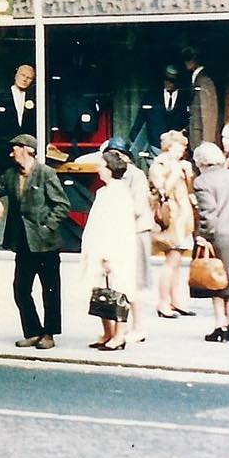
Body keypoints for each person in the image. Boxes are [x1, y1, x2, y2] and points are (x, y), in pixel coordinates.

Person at [0, 133, 69, 349]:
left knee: (50, 290)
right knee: (21, 289)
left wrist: (47, 225)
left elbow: (62, 205)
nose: (12, 153)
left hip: (46, 244)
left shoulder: (46, 174)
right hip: (23, 243)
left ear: (27, 150)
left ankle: (49, 334)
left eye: (15, 149)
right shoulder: (11, 175)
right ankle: (32, 331)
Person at [79, 149, 139, 350]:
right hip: (98, 249)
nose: (98, 169)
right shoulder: (103, 192)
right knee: (100, 292)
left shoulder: (119, 194)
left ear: (111, 169)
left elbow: (115, 227)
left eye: (102, 166)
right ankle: (107, 332)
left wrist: (108, 256)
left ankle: (119, 336)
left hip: (114, 252)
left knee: (118, 291)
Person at [192, 142, 229, 342]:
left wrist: (204, 236)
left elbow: (208, 215)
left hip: (220, 236)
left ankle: (220, 324)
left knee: (216, 282)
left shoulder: (203, 182)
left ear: (200, 162)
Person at [149, 128, 197, 319]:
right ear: (168, 147)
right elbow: (162, 192)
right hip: (171, 219)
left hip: (184, 218)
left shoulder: (181, 165)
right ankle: (162, 303)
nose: (181, 151)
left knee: (177, 261)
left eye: (183, 148)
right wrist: (176, 173)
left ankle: (175, 300)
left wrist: (188, 175)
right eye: (178, 147)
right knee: (171, 260)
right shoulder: (159, 165)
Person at [110, 138, 152, 344]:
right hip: (124, 232)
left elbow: (137, 207)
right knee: (125, 282)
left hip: (135, 232)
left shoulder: (136, 176)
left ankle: (139, 327)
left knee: (134, 281)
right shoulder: (119, 177)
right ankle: (128, 326)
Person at [126, 65, 189, 160]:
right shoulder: (151, 97)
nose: (168, 83)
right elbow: (139, 122)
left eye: (172, 80)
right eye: (166, 79)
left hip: (178, 151)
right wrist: (139, 148)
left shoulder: (186, 98)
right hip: (154, 149)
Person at [0, 65, 36, 179]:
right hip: (1, 155)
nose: (25, 79)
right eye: (23, 75)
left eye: (29, 77)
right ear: (16, 75)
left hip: (25, 157)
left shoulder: (35, 99)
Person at [182, 46, 219, 148]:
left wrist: (207, 143)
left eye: (188, 57)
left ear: (196, 59)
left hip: (201, 141)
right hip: (195, 139)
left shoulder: (204, 81)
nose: (186, 62)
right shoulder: (196, 80)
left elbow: (209, 114)